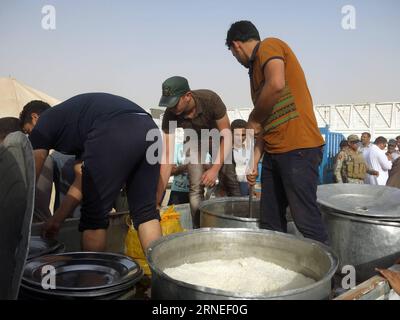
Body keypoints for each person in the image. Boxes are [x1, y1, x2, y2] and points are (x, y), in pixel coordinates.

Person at [226, 20, 328, 243]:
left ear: (236, 46)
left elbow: (277, 84)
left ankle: (333, 277)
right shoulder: (254, 75)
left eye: (233, 55)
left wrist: (252, 118)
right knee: (270, 221)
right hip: (274, 154)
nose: (237, 60)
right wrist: (254, 162)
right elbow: (265, 123)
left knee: (305, 221)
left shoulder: (268, 46)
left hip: (298, 149)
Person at [19, 93, 162, 252]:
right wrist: (57, 219)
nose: (31, 138)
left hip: (115, 129)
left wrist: (14, 216)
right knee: (146, 213)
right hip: (150, 129)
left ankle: (92, 276)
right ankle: (159, 275)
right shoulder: (78, 122)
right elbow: (82, 177)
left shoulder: (44, 122)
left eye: (28, 131)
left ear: (34, 118)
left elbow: (31, 175)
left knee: (94, 217)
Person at [156, 76, 241, 228]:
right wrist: (156, 200)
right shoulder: (170, 115)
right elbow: (167, 157)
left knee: (230, 179)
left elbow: (226, 135)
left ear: (187, 96)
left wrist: (215, 169)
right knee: (195, 188)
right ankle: (199, 228)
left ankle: (240, 222)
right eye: (169, 105)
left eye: (175, 104)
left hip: (218, 139)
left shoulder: (210, 99)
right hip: (193, 141)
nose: (172, 109)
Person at [231, 119, 251, 196]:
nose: (240, 138)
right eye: (237, 135)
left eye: (243, 135)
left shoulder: (249, 151)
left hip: (245, 186)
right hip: (230, 185)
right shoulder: (225, 151)